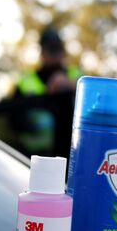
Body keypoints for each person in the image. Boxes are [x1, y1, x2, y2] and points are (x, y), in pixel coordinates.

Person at [11, 28, 82, 157]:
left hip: (73, 155)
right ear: (42, 52)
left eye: (58, 49)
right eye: (51, 50)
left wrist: (73, 86)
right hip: (36, 157)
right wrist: (47, 95)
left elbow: (97, 102)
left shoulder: (78, 77)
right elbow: (14, 121)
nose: (55, 55)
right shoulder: (25, 82)